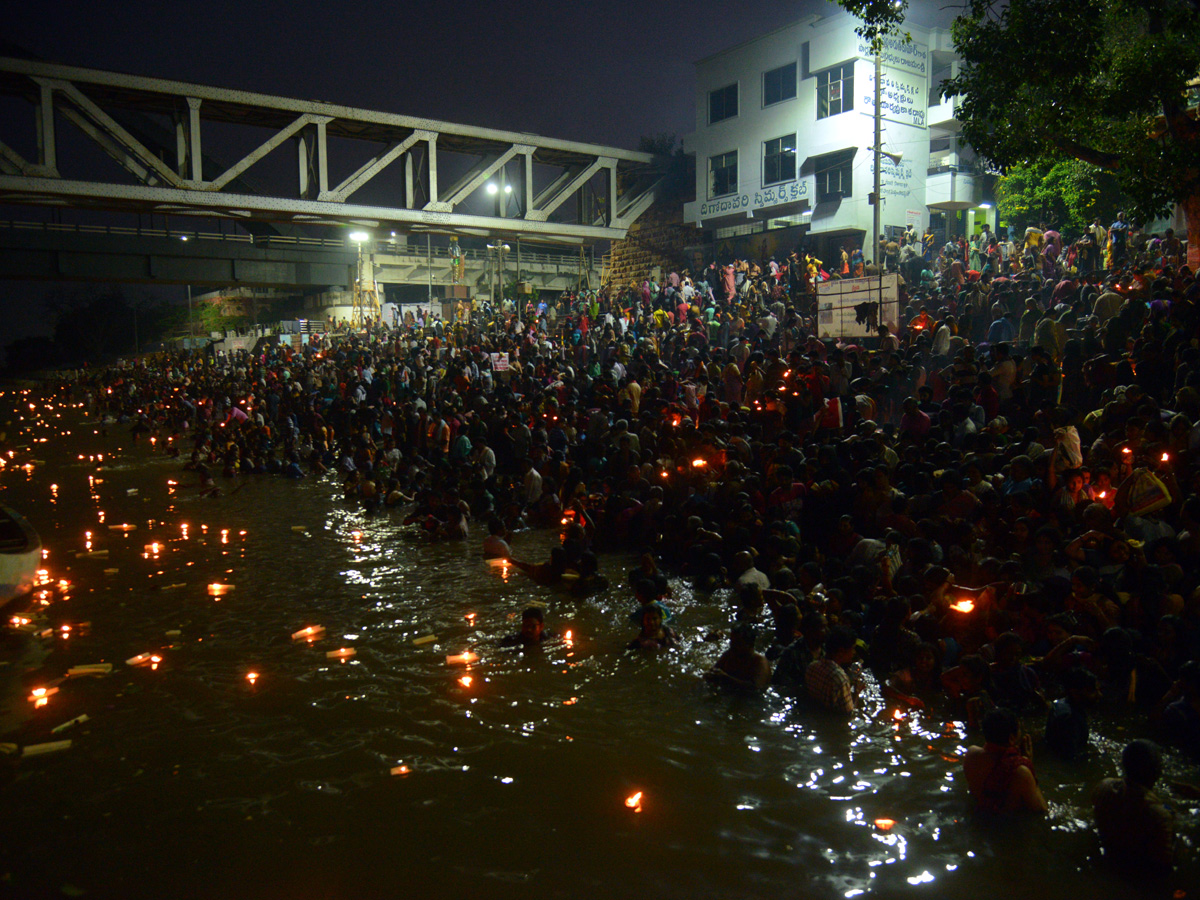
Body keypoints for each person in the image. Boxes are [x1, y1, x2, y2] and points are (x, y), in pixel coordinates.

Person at [1092, 739, 1176, 874]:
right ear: (1156, 772)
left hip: (1106, 856)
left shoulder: (1104, 786)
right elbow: (1164, 865)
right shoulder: (1159, 815)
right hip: (1135, 874)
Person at [964, 708, 1048, 815]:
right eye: (1019, 730)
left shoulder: (971, 754)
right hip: (1004, 827)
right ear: (1011, 738)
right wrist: (1028, 765)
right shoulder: (1020, 772)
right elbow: (1041, 811)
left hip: (977, 819)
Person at [805, 626, 860, 713]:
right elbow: (848, 714)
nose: (854, 652)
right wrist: (857, 692)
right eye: (853, 648)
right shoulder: (840, 679)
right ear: (841, 651)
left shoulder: (812, 667)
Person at [706, 622, 771, 691]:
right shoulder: (729, 654)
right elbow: (714, 671)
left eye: (737, 643)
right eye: (732, 641)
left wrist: (726, 678)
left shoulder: (760, 662)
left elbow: (756, 688)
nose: (732, 645)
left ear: (749, 644)